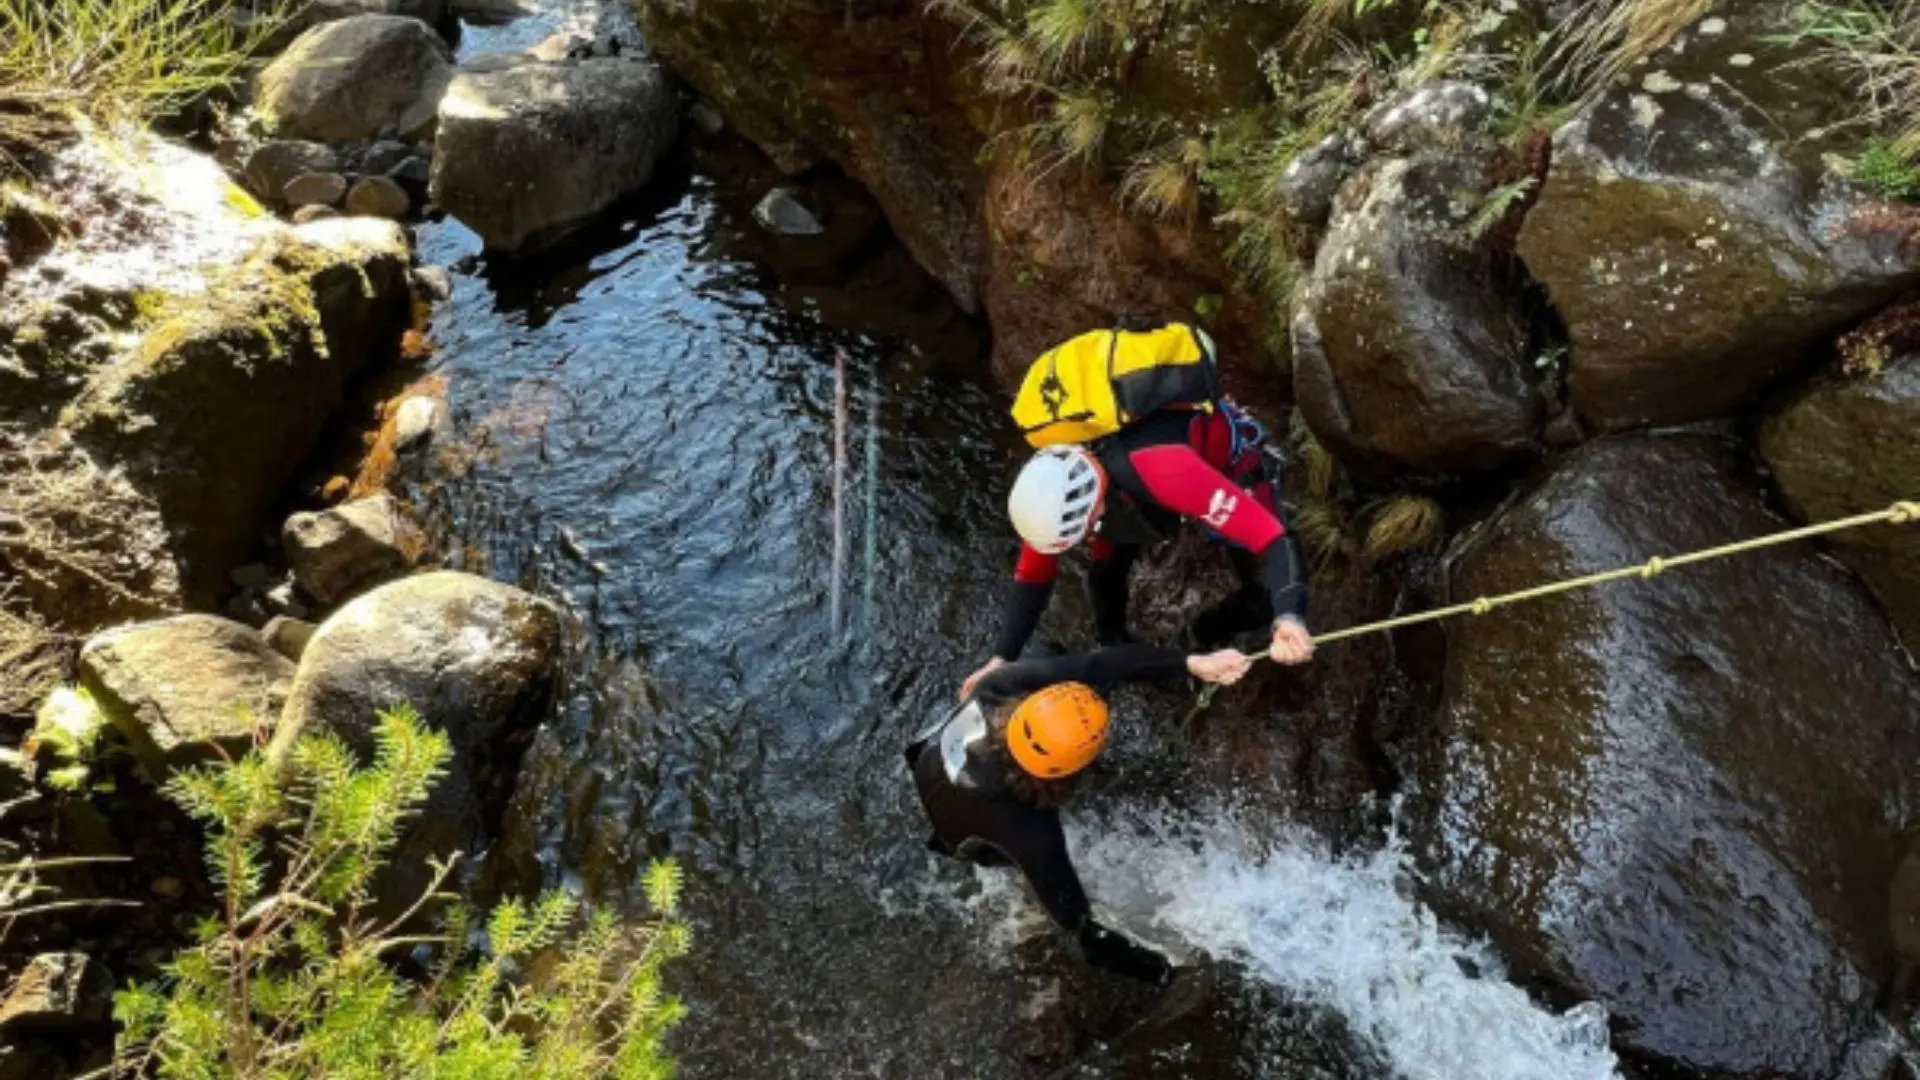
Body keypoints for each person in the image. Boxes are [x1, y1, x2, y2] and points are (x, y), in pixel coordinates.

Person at [961, 322, 1313, 701]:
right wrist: (1002, 657)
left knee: (1256, 576)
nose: (1085, 538)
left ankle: (1210, 628)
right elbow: (1034, 573)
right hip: (1131, 487)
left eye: (1086, 531)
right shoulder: (1056, 477)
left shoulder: (1167, 474)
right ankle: (1113, 644)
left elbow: (1273, 537)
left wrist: (1288, 615)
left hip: (1224, 463)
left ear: (1090, 513)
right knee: (1108, 562)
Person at [906, 642, 1252, 984]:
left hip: (928, 759)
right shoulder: (1030, 831)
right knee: (1043, 887)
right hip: (963, 834)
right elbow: (1081, 930)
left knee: (1049, 651)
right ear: (1064, 774)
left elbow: (1097, 665)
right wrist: (1165, 973)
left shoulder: (999, 687)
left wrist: (1193, 663)